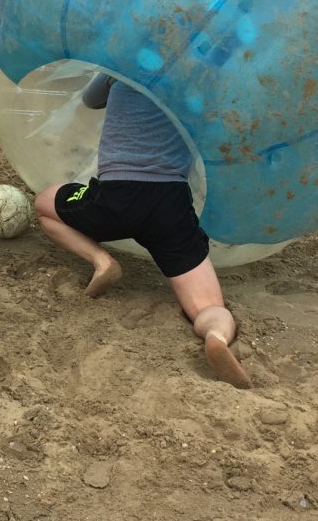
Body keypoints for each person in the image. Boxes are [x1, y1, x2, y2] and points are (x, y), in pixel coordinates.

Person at [33, 73, 252, 389]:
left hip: (115, 197)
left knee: (44, 204)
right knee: (208, 307)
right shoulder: (200, 85)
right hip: (170, 206)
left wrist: (112, 75)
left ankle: (101, 261)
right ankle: (215, 334)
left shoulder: (121, 72)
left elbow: (89, 100)